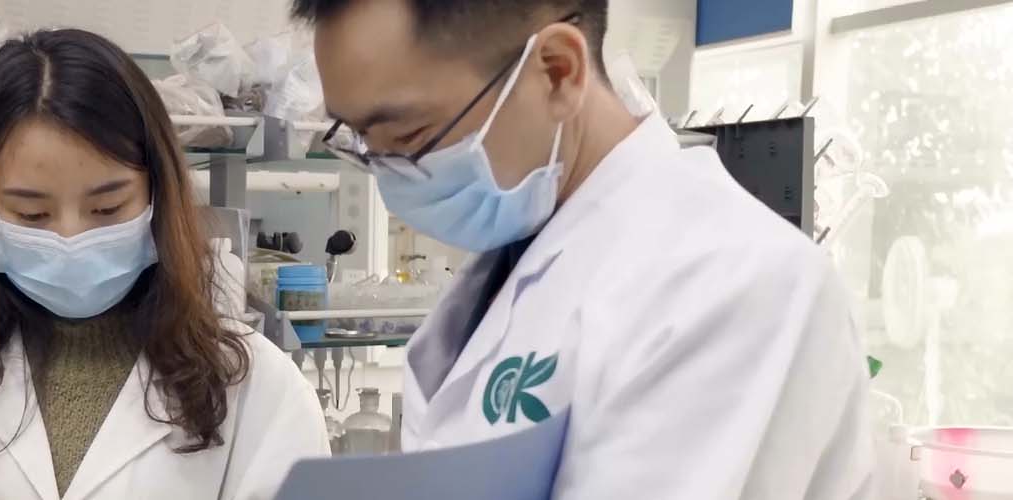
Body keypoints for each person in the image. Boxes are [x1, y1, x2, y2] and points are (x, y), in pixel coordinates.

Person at [291, 0, 874, 497]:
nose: (390, 178)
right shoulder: (519, 258)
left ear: (557, 72)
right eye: (363, 143)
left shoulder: (729, 280)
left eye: (409, 137)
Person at [0, 28, 329, 500]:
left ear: (159, 194)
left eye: (107, 208)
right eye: (32, 214)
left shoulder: (258, 389)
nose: (71, 238)